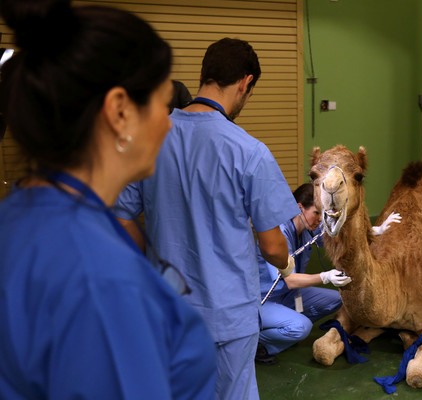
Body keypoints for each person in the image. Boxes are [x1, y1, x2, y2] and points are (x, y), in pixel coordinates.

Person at [0, 0, 216, 398]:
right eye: (161, 103)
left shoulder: (17, 218)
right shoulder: (102, 282)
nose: (168, 123)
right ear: (119, 111)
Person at [114, 37, 299, 400]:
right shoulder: (250, 152)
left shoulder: (150, 138)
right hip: (229, 316)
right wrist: (286, 263)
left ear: (203, 75)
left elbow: (117, 214)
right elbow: (273, 245)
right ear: (245, 83)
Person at [257, 183, 401, 364]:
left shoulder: (308, 228)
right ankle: (258, 343)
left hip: (290, 296)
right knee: (302, 327)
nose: (319, 219)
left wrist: (376, 230)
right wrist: (325, 277)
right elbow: (290, 280)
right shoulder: (280, 235)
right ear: (300, 208)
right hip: (264, 300)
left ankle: (285, 328)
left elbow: (341, 235)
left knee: (339, 300)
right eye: (316, 213)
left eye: (322, 213)